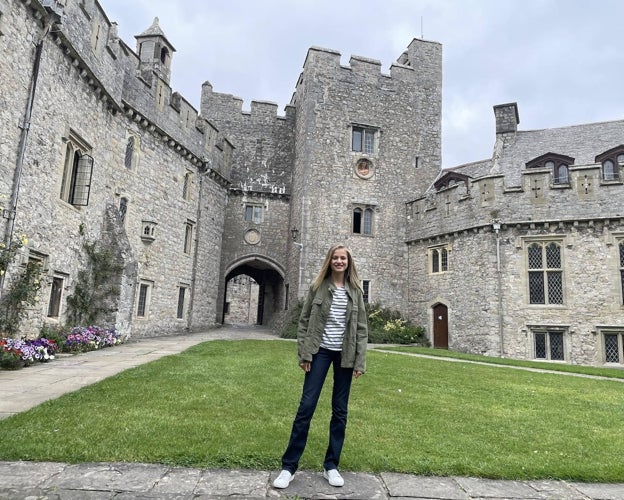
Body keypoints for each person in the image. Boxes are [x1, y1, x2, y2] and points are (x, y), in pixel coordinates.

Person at [273, 244, 368, 489]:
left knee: (340, 411)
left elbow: (361, 330)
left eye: (343, 258)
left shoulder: (355, 291)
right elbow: (304, 322)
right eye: (335, 258)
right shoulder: (318, 288)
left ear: (348, 262)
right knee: (306, 407)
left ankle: (331, 466)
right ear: (330, 261)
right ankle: (288, 467)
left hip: (345, 355)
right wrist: (305, 354)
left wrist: (360, 361)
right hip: (320, 352)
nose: (339, 261)